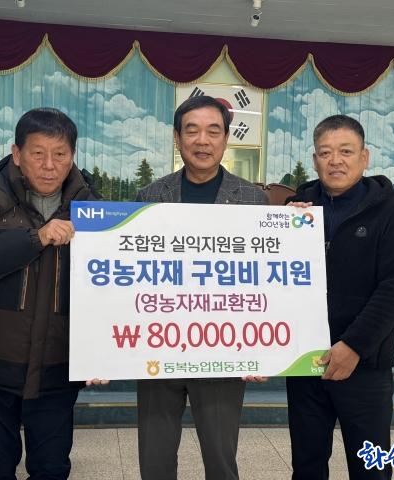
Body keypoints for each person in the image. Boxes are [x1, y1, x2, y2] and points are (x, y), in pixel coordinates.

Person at [0, 107, 104, 479]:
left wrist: (102, 351)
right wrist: (36, 238)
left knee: (51, 468)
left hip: (57, 366)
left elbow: (106, 289)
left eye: (60, 154)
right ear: (17, 154)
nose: (49, 165)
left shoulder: (92, 208)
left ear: (72, 156)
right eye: (38, 153)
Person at [135, 95, 268, 480]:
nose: (202, 140)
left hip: (224, 349)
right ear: (177, 138)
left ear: (226, 139)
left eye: (213, 131)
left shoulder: (254, 199)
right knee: (155, 459)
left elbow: (267, 279)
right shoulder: (150, 196)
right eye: (191, 131)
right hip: (159, 344)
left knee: (221, 459)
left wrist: (295, 226)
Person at [285, 114, 394, 480]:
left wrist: (354, 346)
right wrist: (281, 232)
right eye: (325, 152)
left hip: (364, 365)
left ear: (364, 157)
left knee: (370, 469)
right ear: (315, 159)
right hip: (306, 364)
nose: (335, 161)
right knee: (307, 466)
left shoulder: (392, 212)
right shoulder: (297, 209)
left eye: (346, 151)